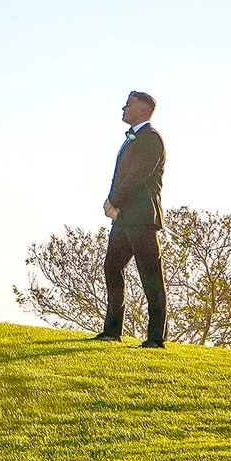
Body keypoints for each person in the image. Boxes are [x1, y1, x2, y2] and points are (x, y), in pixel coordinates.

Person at [91, 89, 166, 349]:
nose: (123, 109)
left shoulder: (151, 139)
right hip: (123, 219)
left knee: (150, 275)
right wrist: (113, 204)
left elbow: (137, 177)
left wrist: (114, 201)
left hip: (142, 218)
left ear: (143, 110)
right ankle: (112, 331)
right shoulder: (132, 139)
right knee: (112, 267)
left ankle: (156, 339)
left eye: (128, 105)